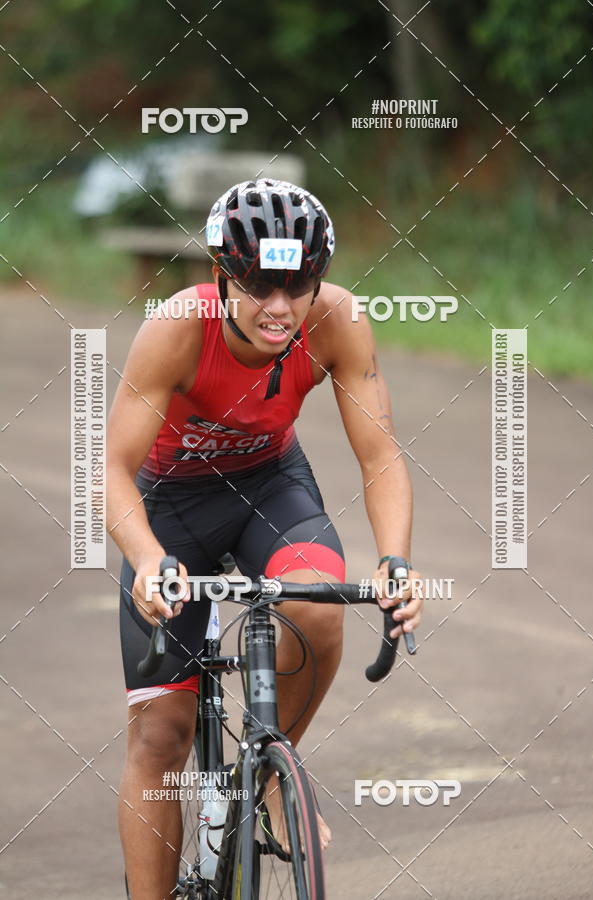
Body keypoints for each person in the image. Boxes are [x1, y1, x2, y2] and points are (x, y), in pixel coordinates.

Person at [107, 178, 423, 900]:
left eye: (298, 285)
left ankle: (276, 774)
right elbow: (114, 471)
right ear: (222, 277)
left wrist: (396, 561)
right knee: (162, 736)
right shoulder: (176, 327)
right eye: (258, 287)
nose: (280, 308)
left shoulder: (339, 319)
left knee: (318, 605)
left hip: (267, 487)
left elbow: (381, 456)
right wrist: (150, 561)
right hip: (168, 505)